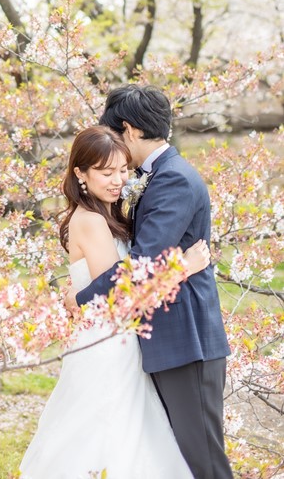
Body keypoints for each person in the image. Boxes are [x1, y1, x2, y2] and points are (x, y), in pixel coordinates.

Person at [20, 125, 210, 479]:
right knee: (109, 437)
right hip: (108, 347)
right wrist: (182, 268)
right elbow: (122, 296)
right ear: (80, 173)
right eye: (106, 173)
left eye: (123, 170)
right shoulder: (90, 220)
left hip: (118, 341)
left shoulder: (105, 215)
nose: (117, 181)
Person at [75, 85, 232, 479]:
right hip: (166, 340)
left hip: (185, 342)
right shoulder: (157, 175)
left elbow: (144, 263)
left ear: (128, 129)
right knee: (178, 458)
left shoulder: (172, 180)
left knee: (204, 461)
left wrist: (82, 298)